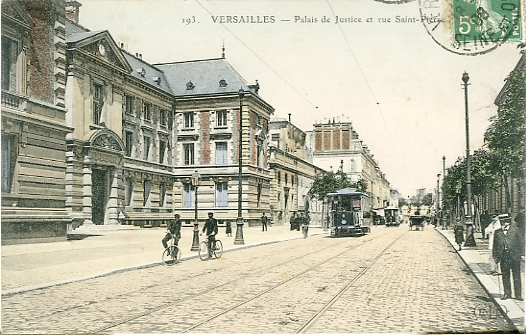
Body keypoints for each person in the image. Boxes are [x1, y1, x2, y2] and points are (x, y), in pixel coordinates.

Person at [492, 214, 524, 300]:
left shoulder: (516, 230)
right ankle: (507, 293)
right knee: (505, 276)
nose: (503, 223)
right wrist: (495, 257)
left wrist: (522, 254)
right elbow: (495, 245)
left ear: (508, 222)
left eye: (505, 221)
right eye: (502, 222)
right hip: (503, 257)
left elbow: (521, 242)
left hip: (514, 256)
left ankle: (518, 295)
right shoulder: (497, 232)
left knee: (516, 276)